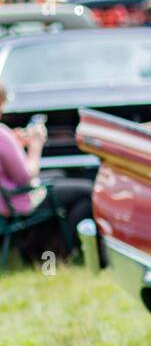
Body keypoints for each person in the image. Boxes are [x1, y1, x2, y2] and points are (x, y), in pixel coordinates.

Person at [0, 80, 92, 261]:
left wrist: (14, 142)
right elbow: (26, 176)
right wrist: (36, 144)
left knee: (59, 174)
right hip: (14, 202)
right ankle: (64, 250)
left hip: (4, 198)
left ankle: (42, 246)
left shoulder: (5, 136)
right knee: (87, 191)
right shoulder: (2, 135)